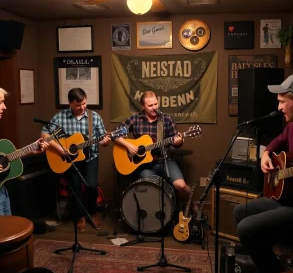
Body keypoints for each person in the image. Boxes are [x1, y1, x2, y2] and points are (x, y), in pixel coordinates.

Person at [233, 74, 293, 273]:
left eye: (282, 102)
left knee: (247, 229)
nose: (279, 108)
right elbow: (276, 142)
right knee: (240, 212)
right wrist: (265, 154)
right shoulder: (292, 126)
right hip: (289, 200)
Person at [41, 88, 110, 232]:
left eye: (84, 103)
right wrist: (59, 148)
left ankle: (92, 212)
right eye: (78, 105)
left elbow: (103, 138)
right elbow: (44, 133)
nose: (82, 107)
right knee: (76, 189)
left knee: (91, 186)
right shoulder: (60, 117)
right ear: (70, 103)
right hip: (69, 160)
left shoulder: (94, 117)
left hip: (90, 157)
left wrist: (105, 141)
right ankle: (80, 216)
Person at [114, 91, 194, 209]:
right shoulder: (135, 119)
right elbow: (114, 134)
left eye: (156, 104)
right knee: (152, 190)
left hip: (165, 161)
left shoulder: (165, 119)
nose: (154, 107)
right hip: (144, 166)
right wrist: (128, 146)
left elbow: (177, 142)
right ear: (143, 106)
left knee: (181, 186)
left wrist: (179, 141)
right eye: (150, 105)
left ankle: (192, 207)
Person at [0, 88, 49, 216]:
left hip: (2, 190)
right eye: (0, 103)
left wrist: (31, 150)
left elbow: (8, 157)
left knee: (9, 229)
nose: (4, 107)